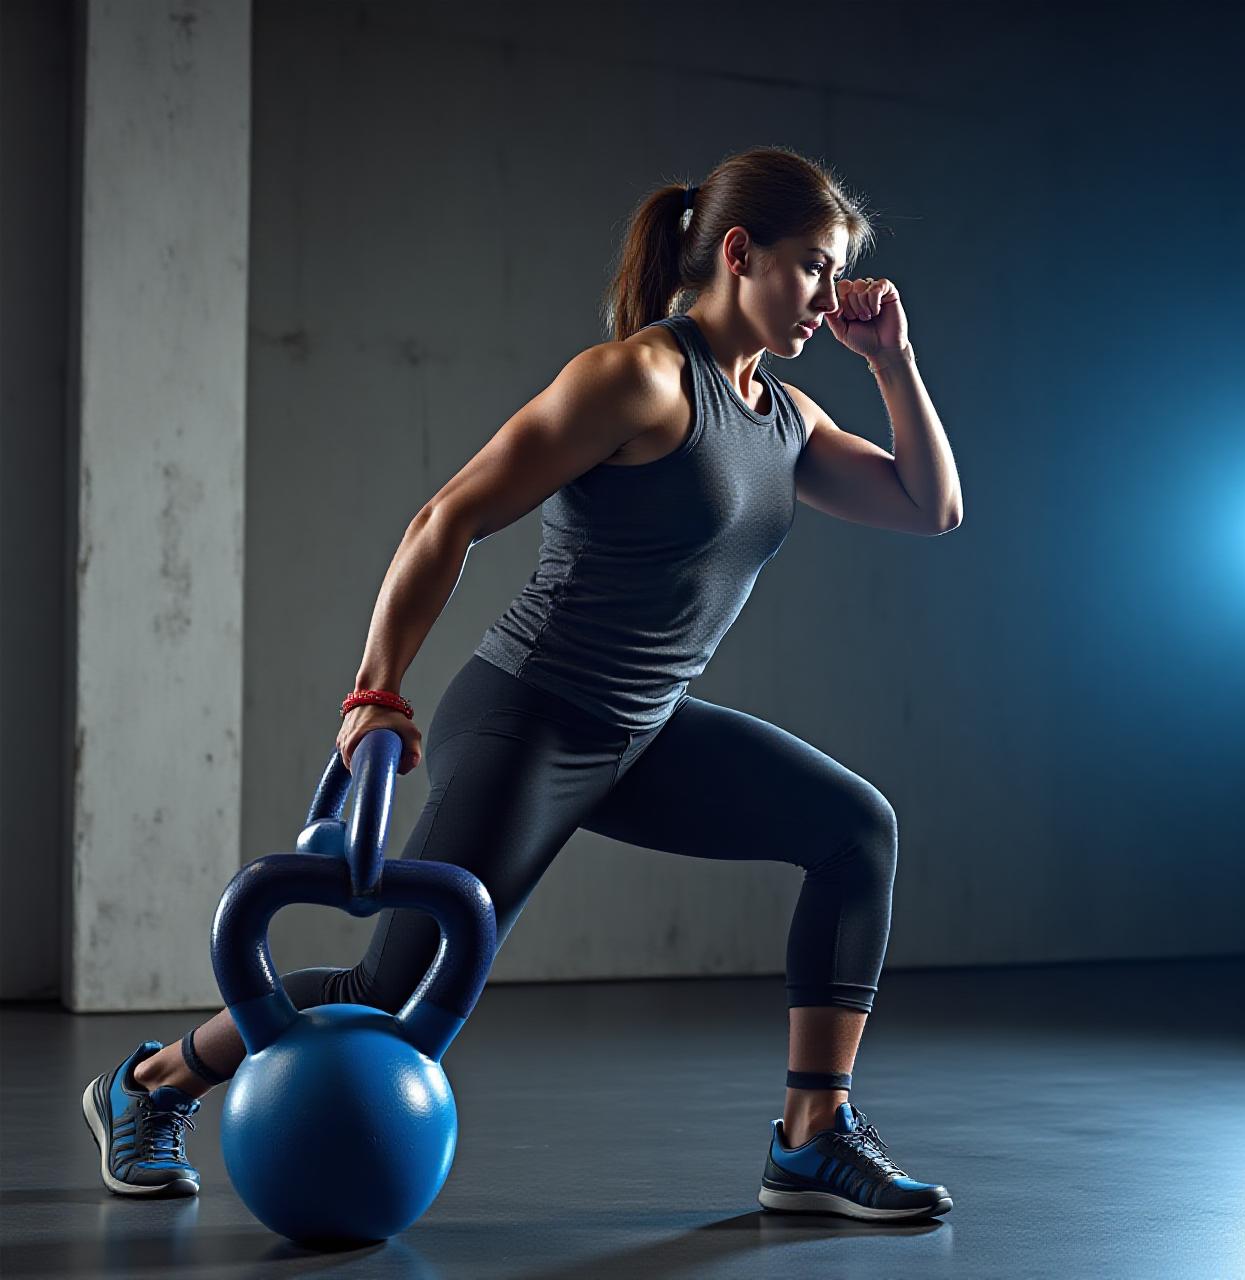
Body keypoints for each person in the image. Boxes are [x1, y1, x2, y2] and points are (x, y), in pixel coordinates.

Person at [83, 144, 963, 1221]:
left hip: (641, 730)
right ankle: (149, 1081)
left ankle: (811, 1136)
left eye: (837, 277)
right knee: (383, 992)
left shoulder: (784, 418)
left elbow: (929, 507)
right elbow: (447, 516)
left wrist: (891, 361)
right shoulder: (638, 378)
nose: (830, 299)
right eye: (814, 269)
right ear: (740, 252)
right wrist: (375, 690)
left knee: (853, 829)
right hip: (529, 716)